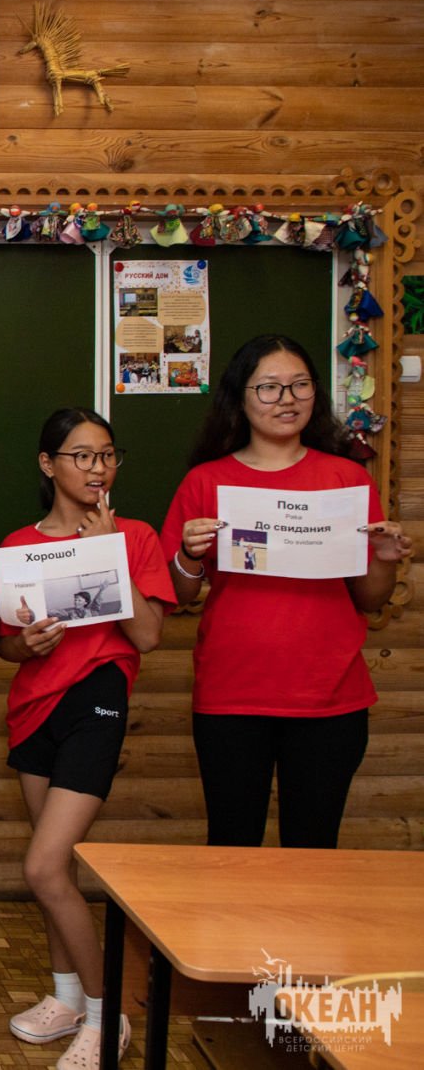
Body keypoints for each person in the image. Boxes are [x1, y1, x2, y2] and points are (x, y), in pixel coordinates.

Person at [163, 334, 410, 849]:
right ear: (240, 397)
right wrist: (188, 554)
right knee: (232, 845)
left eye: (300, 385)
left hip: (330, 696)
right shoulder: (206, 482)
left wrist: (384, 560)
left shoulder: (346, 479)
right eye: (269, 387)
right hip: (233, 695)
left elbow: (369, 599)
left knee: (314, 850)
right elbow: (180, 594)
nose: (287, 399)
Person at [0, 408, 172, 1069]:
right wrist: (26, 643)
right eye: (82, 455)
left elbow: (147, 635)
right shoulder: (19, 544)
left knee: (42, 865)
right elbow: (6, 645)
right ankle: (66, 995)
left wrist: (107, 554)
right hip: (33, 707)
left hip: (96, 701)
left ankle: (106, 1015)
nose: (98, 468)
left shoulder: (136, 536)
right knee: (58, 871)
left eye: (107, 455)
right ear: (49, 464)